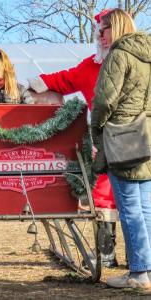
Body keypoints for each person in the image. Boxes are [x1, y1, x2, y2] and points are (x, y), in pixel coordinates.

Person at [26, 10, 118, 268]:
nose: (100, 35)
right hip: (105, 142)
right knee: (103, 196)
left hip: (138, 138)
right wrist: (34, 84)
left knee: (138, 199)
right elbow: (63, 79)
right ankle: (107, 254)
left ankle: (140, 257)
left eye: (105, 29)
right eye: (98, 30)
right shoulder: (90, 66)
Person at [91, 9, 151, 289]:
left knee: (129, 210)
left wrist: (97, 128)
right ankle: (146, 270)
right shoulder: (147, 55)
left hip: (123, 138)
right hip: (148, 136)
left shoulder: (118, 55)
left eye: (102, 30)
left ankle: (138, 273)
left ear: (113, 28)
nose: (100, 35)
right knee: (146, 209)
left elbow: (103, 100)